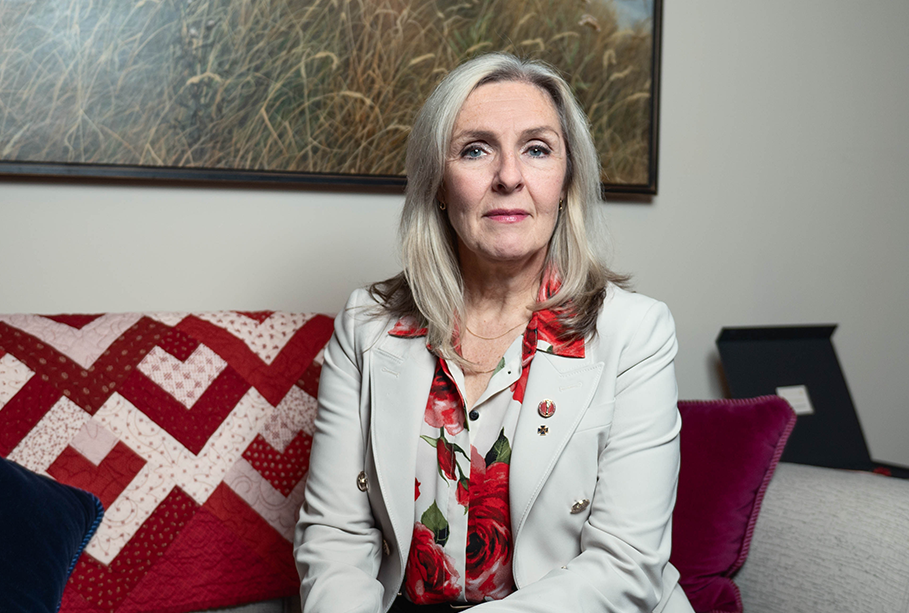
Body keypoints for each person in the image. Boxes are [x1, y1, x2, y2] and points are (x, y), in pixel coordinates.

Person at [294, 53, 691, 613]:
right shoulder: (366, 326)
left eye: (537, 149)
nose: (509, 176)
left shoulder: (636, 333)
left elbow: (622, 569)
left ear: (565, 180)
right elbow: (336, 539)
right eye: (476, 149)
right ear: (437, 183)